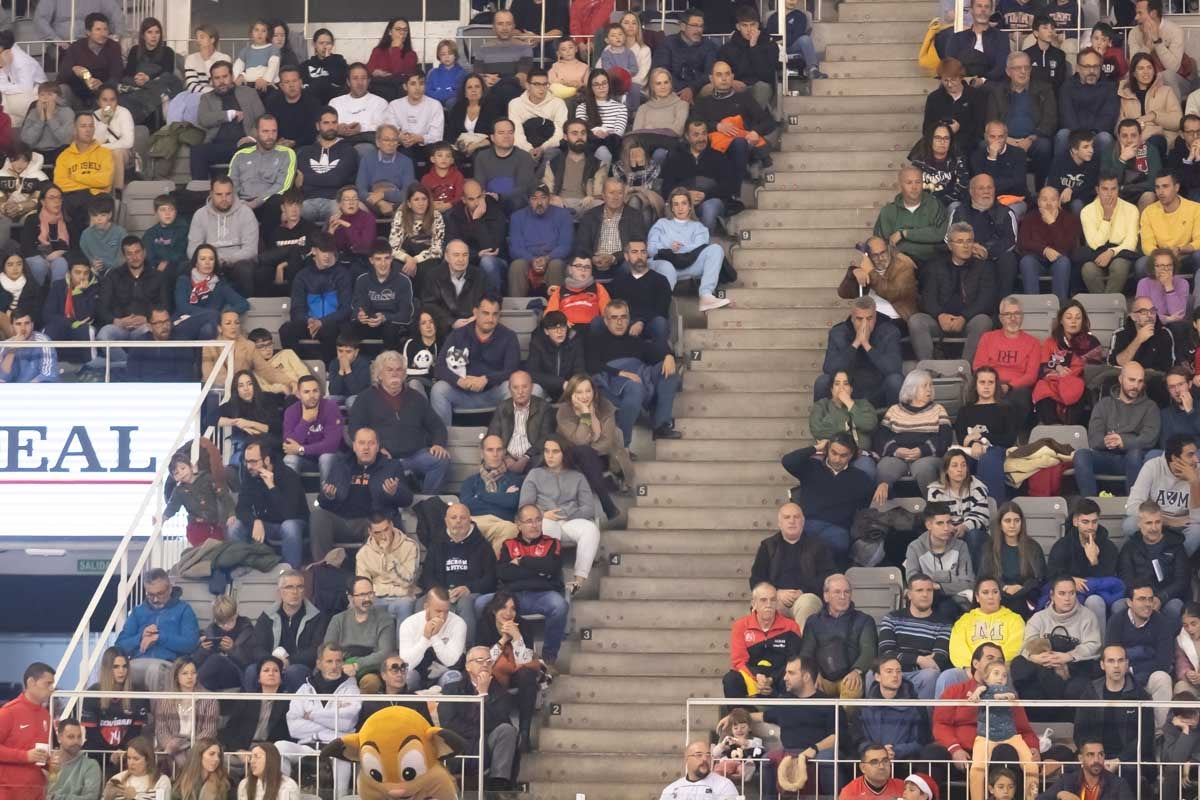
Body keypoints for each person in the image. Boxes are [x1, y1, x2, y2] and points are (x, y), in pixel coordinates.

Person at [347, 350, 450, 493]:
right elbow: (354, 429)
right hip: (383, 458)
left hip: (415, 456)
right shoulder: (365, 398)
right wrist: (376, 449)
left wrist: (438, 444)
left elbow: (437, 426)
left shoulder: (416, 398)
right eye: (389, 370)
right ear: (379, 375)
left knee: (441, 461)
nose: (395, 373)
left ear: (404, 373)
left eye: (399, 369)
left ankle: (427, 501)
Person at [586, 299, 682, 443]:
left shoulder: (636, 341)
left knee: (668, 370)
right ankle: (622, 444)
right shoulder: (596, 340)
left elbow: (656, 352)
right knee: (635, 386)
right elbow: (590, 364)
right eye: (614, 318)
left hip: (639, 375)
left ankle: (661, 426)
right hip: (611, 379)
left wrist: (668, 356)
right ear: (606, 321)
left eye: (623, 317)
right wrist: (619, 373)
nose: (619, 322)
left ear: (629, 320)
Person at [311, 428, 412, 562]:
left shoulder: (391, 466)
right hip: (342, 520)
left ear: (377, 447)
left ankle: (365, 573)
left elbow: (407, 499)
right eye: (361, 443)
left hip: (373, 520)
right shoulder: (341, 465)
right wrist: (328, 496)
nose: (366, 448)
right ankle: (322, 568)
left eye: (371, 443)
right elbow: (323, 501)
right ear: (354, 446)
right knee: (318, 515)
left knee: (378, 528)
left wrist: (394, 493)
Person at [518, 436, 600, 596]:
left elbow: (589, 508)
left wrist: (566, 513)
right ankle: (550, 578)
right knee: (548, 527)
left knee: (591, 529)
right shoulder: (534, 474)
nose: (550, 456)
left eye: (555, 451)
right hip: (544, 520)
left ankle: (578, 581)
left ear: (564, 454)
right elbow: (524, 506)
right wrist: (542, 515)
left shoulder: (578, 477)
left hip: (571, 521)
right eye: (547, 451)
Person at [278, 643, 361, 797]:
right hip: (307, 746)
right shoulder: (304, 689)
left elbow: (347, 723)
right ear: (319, 664)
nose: (334, 666)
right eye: (329, 661)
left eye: (338, 661)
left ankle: (339, 797)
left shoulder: (351, 689)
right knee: (279, 747)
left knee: (342, 758)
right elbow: (294, 727)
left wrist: (313, 715)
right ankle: (286, 796)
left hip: (337, 748)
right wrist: (331, 722)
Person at [779, 433, 876, 564]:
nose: (837, 459)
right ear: (827, 450)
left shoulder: (859, 478)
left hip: (837, 530)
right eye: (834, 452)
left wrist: (884, 484)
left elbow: (875, 499)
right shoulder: (812, 467)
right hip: (808, 524)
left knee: (831, 545)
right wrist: (815, 448)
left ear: (851, 455)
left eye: (843, 455)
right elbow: (788, 461)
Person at [494, 504, 570, 667]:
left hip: (542, 595)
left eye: (538, 520)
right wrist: (538, 571)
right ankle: (491, 655)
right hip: (512, 597)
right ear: (518, 524)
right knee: (480, 604)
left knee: (559, 606)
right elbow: (503, 573)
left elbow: (551, 568)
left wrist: (522, 561)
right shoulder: (508, 545)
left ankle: (548, 659)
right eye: (529, 521)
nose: (534, 525)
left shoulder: (552, 543)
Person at [909, 223, 996, 363]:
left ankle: (965, 369)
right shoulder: (936, 267)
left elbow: (986, 300)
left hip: (969, 321)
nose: (966, 246)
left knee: (983, 321)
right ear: (950, 246)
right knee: (916, 321)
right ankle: (928, 368)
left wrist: (964, 317)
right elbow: (927, 297)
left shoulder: (984, 268)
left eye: (969, 241)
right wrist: (939, 315)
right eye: (960, 242)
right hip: (941, 321)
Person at [1010, 574, 1103, 702]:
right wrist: (1034, 657)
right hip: (1043, 667)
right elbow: (1027, 645)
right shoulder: (1038, 618)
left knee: (1087, 674)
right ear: (1052, 595)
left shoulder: (1088, 616)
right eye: (1062, 593)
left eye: (1071, 593)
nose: (1067, 598)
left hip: (1073, 668)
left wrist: (1069, 656)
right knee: (1019, 664)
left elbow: (1094, 646)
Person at [1074, 362, 1162, 496]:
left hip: (1134, 460)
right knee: (1081, 455)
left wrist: (1123, 441)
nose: (1136, 386)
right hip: (1106, 456)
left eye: (1140, 381)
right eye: (1131, 380)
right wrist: (1109, 441)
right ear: (1120, 379)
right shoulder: (1104, 404)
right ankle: (1089, 505)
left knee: (1135, 454)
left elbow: (1149, 439)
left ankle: (1133, 506)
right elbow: (1094, 438)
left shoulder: (1150, 407)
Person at [556, 373, 634, 518]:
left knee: (587, 453)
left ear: (594, 391)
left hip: (602, 457)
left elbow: (607, 441)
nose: (584, 396)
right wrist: (585, 414)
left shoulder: (605, 406)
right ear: (571, 394)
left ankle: (607, 490)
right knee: (583, 451)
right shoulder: (564, 412)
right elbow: (579, 441)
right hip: (574, 459)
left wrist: (590, 451)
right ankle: (607, 503)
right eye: (579, 392)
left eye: (588, 391)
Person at [421, 503, 497, 645]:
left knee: (466, 602)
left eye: (462, 518)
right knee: (421, 603)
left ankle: (467, 650)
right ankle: (424, 648)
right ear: (446, 521)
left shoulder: (482, 545)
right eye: (453, 517)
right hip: (442, 592)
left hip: (470, 593)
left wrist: (469, 588)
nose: (458, 521)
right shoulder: (437, 544)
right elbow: (427, 576)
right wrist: (440, 593)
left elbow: (491, 578)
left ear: (470, 520)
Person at [227, 437, 307, 569]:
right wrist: (255, 521)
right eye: (246, 462)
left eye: (253, 462)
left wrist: (272, 487)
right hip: (266, 524)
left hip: (293, 522)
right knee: (235, 527)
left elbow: (289, 513)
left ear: (267, 460)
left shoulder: (288, 475)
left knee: (289, 526)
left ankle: (290, 573)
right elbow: (241, 508)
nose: (248, 466)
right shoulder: (250, 476)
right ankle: (241, 571)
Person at [748, 503, 834, 625]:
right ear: (780, 523)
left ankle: (804, 644)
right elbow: (756, 579)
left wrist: (803, 591)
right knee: (766, 605)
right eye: (787, 517)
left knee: (806, 604)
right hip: (776, 598)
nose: (792, 521)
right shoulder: (768, 546)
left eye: (796, 517)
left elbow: (828, 576)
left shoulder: (817, 546)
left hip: (806, 596)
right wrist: (776, 592)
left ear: (803, 522)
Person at [114, 568, 199, 691]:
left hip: (168, 665)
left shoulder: (184, 610)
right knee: (118, 671)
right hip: (137, 663)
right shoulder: (138, 611)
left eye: (160, 594)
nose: (155, 599)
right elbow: (119, 646)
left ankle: (157, 710)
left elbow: (191, 644)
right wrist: (141, 637)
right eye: (150, 594)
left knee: (154, 671)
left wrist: (160, 638)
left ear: (170, 588)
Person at [873, 370, 954, 499]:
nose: (929, 389)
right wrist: (896, 450)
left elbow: (945, 439)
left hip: (927, 457)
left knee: (924, 470)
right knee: (884, 468)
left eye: (930, 385)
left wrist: (922, 450)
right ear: (911, 388)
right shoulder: (894, 410)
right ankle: (886, 511)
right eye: (924, 386)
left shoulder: (938, 409)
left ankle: (935, 509)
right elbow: (880, 439)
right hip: (897, 456)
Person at [1105, 581, 1176, 726]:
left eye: (1150, 599)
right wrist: (1145, 653)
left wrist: (1132, 668)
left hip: (1147, 676)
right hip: (1121, 676)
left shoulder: (1162, 623)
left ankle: (1158, 733)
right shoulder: (1116, 621)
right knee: (1114, 670)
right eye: (1142, 599)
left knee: (1162, 678)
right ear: (1129, 602)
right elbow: (1112, 657)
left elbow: (1163, 662)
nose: (1148, 604)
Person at [967, 660, 1040, 800]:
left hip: (1010, 735)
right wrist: (975, 694)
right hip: (986, 736)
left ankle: (1031, 798)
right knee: (977, 769)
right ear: (986, 678)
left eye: (1004, 675)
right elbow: (977, 694)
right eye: (996, 673)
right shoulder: (982, 689)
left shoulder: (1008, 690)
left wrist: (1001, 697)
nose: (1001, 677)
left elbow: (1011, 696)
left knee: (1031, 766)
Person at [797, 574, 877, 699]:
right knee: (804, 683)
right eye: (837, 592)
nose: (842, 596)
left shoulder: (864, 620)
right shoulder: (813, 621)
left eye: (847, 592)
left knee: (853, 688)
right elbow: (806, 653)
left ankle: (845, 719)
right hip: (822, 678)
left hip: (850, 676)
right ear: (826, 596)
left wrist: (857, 671)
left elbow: (869, 651)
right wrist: (814, 673)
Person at [248, 569, 328, 692]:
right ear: (279, 592)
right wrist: (272, 663)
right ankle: (253, 710)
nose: (295, 592)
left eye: (299, 587)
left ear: (304, 591)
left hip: (301, 666)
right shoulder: (267, 616)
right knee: (252, 671)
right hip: (270, 663)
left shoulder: (316, 617)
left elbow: (316, 650)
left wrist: (289, 661)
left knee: (293, 672)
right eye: (289, 587)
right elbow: (256, 647)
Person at [817, 295, 903, 408]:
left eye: (869, 318)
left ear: (876, 317)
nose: (864, 324)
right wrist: (855, 344)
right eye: (859, 319)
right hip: (849, 389)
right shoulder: (839, 332)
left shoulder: (889, 331)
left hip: (879, 389)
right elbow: (829, 368)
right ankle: (821, 424)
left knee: (895, 380)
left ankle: (895, 423)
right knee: (822, 381)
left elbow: (894, 368)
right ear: (852, 318)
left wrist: (867, 346)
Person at [878, 573, 954, 699]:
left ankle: (924, 718)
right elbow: (886, 653)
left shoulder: (944, 623)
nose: (925, 594)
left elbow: (939, 659)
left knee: (930, 674)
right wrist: (919, 660)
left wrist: (904, 659)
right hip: (894, 671)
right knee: (872, 674)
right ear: (909, 594)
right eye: (919, 590)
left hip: (921, 675)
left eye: (929, 590)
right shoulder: (892, 618)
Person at [722, 581, 802, 699]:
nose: (769, 604)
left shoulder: (791, 627)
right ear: (754, 603)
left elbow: (793, 661)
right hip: (753, 680)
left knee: (794, 679)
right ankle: (741, 717)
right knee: (731, 679)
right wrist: (757, 677)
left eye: (773, 600)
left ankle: (782, 716)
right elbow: (739, 662)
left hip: (780, 679)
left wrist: (771, 679)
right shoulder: (740, 626)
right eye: (763, 600)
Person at [987, 51, 1058, 184]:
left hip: (1033, 140)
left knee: (1044, 146)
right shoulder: (997, 92)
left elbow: (1050, 120)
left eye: (1027, 68)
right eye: (1018, 68)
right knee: (983, 146)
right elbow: (992, 121)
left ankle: (1040, 189)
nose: (1023, 72)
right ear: (1008, 72)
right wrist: (1007, 140)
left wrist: (1031, 139)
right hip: (1005, 139)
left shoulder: (1044, 89)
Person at [1115, 501, 1190, 624]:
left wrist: (1161, 598)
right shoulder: (1130, 547)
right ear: (1139, 524)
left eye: (1157, 522)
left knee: (1175, 606)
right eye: (1149, 523)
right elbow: (1125, 578)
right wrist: (1141, 599)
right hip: (1138, 596)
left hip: (1166, 597)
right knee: (1118, 605)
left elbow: (1182, 581)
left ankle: (1169, 642)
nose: (1154, 528)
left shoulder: (1176, 545)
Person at [186, 177, 261, 297]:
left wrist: (227, 260)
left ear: (233, 193)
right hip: (209, 262)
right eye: (219, 194)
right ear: (211, 194)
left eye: (228, 194)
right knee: (182, 268)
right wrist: (211, 260)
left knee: (245, 269)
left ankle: (246, 308)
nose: (224, 199)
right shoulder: (200, 215)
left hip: (236, 263)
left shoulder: (246, 213)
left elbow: (251, 250)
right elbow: (192, 250)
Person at [1125, 436, 1200, 554]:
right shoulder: (1153, 467)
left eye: (1196, 454)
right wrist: (1169, 521)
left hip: (1182, 527)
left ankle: (1174, 563)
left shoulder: (1198, 471)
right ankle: (1150, 561)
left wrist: (1195, 483)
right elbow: (1132, 507)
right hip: (1155, 521)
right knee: (1130, 524)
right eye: (1190, 455)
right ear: (1175, 458)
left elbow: (1197, 519)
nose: (1196, 459)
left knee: (1197, 531)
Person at [322, 576, 397, 694]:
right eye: (362, 595)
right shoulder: (338, 619)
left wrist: (357, 665)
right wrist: (340, 666)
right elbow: (327, 648)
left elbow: (385, 653)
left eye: (370, 593)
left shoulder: (385, 619)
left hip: (370, 668)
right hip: (341, 666)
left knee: (371, 682)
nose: (367, 599)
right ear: (350, 597)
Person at [192, 61, 264, 181]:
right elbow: (203, 119)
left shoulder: (249, 93)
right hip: (217, 146)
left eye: (225, 77)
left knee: (250, 149)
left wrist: (252, 137)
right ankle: (201, 193)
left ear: (232, 76)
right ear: (212, 80)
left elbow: (262, 119)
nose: (221, 81)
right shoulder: (206, 98)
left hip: (244, 144)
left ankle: (248, 191)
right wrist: (228, 114)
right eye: (217, 78)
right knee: (198, 151)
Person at [459, 434, 522, 555]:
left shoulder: (515, 480)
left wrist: (481, 495)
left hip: (502, 525)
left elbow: (512, 503)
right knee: (460, 526)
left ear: (504, 453)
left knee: (511, 529)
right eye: (490, 450)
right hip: (476, 523)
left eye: (499, 450)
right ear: (482, 453)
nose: (495, 454)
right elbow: (467, 506)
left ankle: (489, 567)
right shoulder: (470, 481)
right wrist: (502, 497)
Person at [151, 658, 219, 769]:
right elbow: (161, 729)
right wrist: (170, 744)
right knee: (166, 759)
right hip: (171, 747)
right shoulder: (164, 699)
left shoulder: (209, 699)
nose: (189, 677)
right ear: (176, 676)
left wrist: (190, 746)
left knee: (186, 759)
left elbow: (209, 731)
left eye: (193, 673)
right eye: (184, 673)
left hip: (198, 747)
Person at [80, 647, 147, 759]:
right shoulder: (93, 693)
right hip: (98, 752)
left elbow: (136, 732)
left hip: (127, 753)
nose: (121, 671)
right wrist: (111, 754)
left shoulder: (137, 692)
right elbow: (92, 733)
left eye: (124, 666)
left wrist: (121, 752)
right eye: (116, 667)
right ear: (107, 668)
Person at [0, 662, 54, 800]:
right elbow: (28, 754)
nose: (52, 689)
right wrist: (25, 756)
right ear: (31, 682)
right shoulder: (8, 712)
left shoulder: (46, 715)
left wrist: (49, 762)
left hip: (36, 791)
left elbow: (37, 754)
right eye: (47, 684)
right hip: (8, 792)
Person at [296, 107, 360, 224]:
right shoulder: (305, 152)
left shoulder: (348, 151)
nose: (330, 127)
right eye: (326, 123)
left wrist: (307, 178)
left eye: (334, 122)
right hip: (308, 201)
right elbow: (302, 184)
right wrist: (328, 178)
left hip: (336, 201)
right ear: (317, 126)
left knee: (344, 215)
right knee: (291, 215)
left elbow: (337, 179)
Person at [397, 588, 467, 691]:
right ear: (426, 607)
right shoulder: (409, 624)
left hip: (445, 671)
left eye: (446, 611)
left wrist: (434, 636)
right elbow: (407, 664)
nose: (442, 617)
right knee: (407, 676)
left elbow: (450, 661)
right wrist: (425, 639)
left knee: (454, 676)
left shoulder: (458, 623)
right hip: (417, 672)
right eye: (438, 611)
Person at [1080, 173, 1139, 293]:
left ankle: (1107, 308)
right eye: (1105, 189)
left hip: (1122, 253)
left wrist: (1112, 252)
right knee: (1088, 269)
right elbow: (1095, 244)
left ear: (1118, 189)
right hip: (1097, 253)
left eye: (1113, 189)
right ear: (1097, 190)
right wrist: (1106, 218)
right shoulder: (1087, 211)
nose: (1109, 193)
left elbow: (1131, 243)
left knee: (1119, 266)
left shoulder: (1131, 209)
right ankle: (1107, 306)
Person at [489, 369, 556, 474]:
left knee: (545, 457)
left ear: (532, 387)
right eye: (515, 387)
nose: (520, 392)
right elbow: (493, 435)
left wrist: (526, 457)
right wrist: (505, 456)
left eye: (524, 387)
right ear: (510, 389)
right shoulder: (502, 407)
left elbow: (545, 438)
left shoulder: (544, 407)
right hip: (506, 460)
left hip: (532, 459)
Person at [444, 179, 507, 292]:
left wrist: (477, 220)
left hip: (497, 261)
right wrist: (476, 254)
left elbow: (492, 249)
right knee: (448, 262)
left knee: (487, 261)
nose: (477, 202)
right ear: (463, 200)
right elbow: (452, 246)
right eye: (471, 199)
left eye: (479, 197)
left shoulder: (495, 209)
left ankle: (492, 302)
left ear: (484, 194)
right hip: (469, 258)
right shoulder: (455, 214)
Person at [356, 514, 420, 622]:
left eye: (386, 530)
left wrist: (388, 556)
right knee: (356, 605)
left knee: (404, 605)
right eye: (377, 533)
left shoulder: (410, 546)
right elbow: (363, 586)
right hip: (376, 598)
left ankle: (401, 639)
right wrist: (393, 590)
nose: (383, 536)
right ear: (370, 532)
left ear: (392, 525)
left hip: (402, 598)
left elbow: (408, 581)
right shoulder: (363, 553)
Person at [1137, 171, 1200, 279]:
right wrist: (1164, 257)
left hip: (1185, 256)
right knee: (1141, 265)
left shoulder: (1195, 209)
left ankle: (1195, 293)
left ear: (1176, 187)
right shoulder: (1148, 212)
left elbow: (1198, 241)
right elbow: (1147, 245)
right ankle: (1153, 294)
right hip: (1160, 258)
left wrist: (1180, 249)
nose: (1161, 192)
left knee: (1198, 256)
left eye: (1165, 186)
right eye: (1157, 187)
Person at [651, 8, 718, 103]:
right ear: (682, 26)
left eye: (701, 26)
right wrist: (682, 90)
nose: (699, 30)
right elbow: (661, 70)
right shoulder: (667, 44)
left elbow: (710, 73)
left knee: (712, 87)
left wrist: (691, 89)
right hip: (673, 89)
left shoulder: (709, 46)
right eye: (694, 26)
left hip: (698, 89)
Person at [57, 13, 122, 108]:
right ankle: (67, 119)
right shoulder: (76, 47)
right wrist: (74, 70)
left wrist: (103, 85)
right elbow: (62, 75)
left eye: (105, 29)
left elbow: (117, 74)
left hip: (102, 95)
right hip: (77, 94)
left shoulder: (113, 47)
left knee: (111, 93)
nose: (103, 34)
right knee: (62, 89)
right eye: (98, 29)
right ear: (88, 32)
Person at [1037, 736, 1135, 800]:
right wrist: (1059, 794)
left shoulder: (1118, 784)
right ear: (1080, 758)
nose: (1096, 760)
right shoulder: (1067, 781)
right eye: (1090, 755)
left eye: (1100, 754)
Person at [192, 595, 256, 692]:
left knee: (216, 659)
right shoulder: (211, 629)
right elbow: (196, 662)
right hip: (215, 676)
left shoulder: (246, 629)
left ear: (236, 614)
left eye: (230, 621)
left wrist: (232, 649)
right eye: (221, 623)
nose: (226, 626)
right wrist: (203, 650)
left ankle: (189, 687)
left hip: (238, 674)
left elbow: (250, 661)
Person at [525, 309, 586, 400]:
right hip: (546, 389)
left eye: (562, 327)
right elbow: (532, 373)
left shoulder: (574, 341)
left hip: (569, 388)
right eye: (554, 328)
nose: (559, 331)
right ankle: (532, 414)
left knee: (585, 387)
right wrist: (560, 383)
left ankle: (586, 415)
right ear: (546, 331)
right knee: (534, 390)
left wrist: (572, 385)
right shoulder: (537, 343)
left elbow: (579, 370)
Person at [945, 0, 1009, 86]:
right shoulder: (957, 38)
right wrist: (965, 80)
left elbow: (1001, 66)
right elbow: (950, 64)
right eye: (979, 6)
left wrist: (982, 80)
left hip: (991, 86)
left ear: (991, 11)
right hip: (962, 85)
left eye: (986, 7)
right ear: (971, 10)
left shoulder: (1001, 37)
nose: (983, 10)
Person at [909, 123, 970, 209]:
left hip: (948, 205)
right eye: (938, 138)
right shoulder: (919, 163)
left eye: (946, 138)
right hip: (924, 206)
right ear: (931, 140)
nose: (942, 142)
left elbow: (962, 190)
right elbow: (913, 190)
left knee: (956, 206)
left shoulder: (958, 162)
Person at [658, 740, 739, 799]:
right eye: (699, 755)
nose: (704, 759)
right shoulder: (671, 790)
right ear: (686, 759)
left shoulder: (724, 786)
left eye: (708, 755)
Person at [1047, 130, 1100, 215]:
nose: (1091, 150)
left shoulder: (1094, 160)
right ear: (1074, 150)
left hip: (1082, 199)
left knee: (1077, 204)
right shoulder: (1060, 160)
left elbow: (1090, 187)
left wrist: (1072, 190)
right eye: (1086, 147)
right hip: (1061, 200)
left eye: (1092, 146)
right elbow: (1052, 183)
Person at [0, 32, 45, 129]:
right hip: (18, 95)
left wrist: (4, 88)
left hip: (36, 95)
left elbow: (25, 89)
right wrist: (1, 66)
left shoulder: (22, 62)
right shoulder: (6, 56)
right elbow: (2, 84)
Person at [47, 718, 100, 800]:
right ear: (59, 738)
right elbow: (43, 794)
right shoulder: (49, 764)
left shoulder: (91, 766)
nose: (76, 741)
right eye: (71, 737)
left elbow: (91, 798)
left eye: (79, 737)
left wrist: (56, 797)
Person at [101, 738, 170, 800]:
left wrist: (135, 796)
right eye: (129, 758)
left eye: (136, 759)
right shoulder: (118, 778)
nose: (131, 763)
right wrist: (108, 798)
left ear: (148, 760)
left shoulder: (161, 781)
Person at [20, 83, 73, 162]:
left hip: (60, 151)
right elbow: (27, 140)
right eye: (42, 95)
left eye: (50, 94)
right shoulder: (33, 113)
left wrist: (50, 118)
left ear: (58, 97)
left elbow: (66, 139)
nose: (45, 98)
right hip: (36, 152)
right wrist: (41, 120)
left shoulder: (67, 112)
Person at [0, 310, 56, 383]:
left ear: (32, 325)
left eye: (27, 323)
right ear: (11, 327)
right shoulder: (5, 345)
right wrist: (12, 350)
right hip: (13, 391)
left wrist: (25, 390)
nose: (23, 328)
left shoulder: (43, 341)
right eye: (18, 324)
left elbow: (48, 374)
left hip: (36, 390)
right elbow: (2, 378)